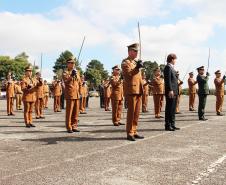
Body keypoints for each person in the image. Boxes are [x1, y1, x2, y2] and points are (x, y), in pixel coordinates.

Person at [121, 43, 144, 141]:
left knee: (137, 113)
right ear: (130, 51)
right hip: (131, 90)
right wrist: (137, 68)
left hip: (138, 89)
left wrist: (138, 66)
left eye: (137, 51)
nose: (136, 53)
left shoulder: (135, 62)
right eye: (135, 51)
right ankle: (129, 132)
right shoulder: (125, 62)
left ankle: (134, 130)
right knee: (131, 113)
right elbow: (128, 74)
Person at [63, 58, 81, 133]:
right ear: (68, 64)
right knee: (69, 112)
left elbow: (79, 82)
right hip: (70, 94)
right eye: (71, 63)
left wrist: (75, 74)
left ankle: (74, 126)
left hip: (76, 94)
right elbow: (66, 82)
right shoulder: (65, 72)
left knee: (76, 112)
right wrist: (71, 75)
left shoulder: (77, 72)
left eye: (73, 63)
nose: (73, 64)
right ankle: (69, 127)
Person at [163, 53, 180, 131]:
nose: (175, 61)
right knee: (169, 108)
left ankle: (172, 124)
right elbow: (168, 80)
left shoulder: (172, 68)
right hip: (171, 92)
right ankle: (168, 125)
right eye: (175, 59)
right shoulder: (168, 67)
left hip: (175, 91)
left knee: (173, 109)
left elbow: (173, 79)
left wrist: (176, 76)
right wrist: (170, 90)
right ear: (172, 59)